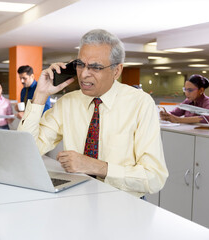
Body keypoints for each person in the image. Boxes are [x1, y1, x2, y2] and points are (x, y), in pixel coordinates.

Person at [17, 29, 168, 198]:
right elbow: (25, 151)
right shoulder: (68, 102)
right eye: (80, 64)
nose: (84, 74)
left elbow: (154, 177)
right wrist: (40, 95)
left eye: (95, 67)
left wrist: (95, 166)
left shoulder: (140, 103)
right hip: (78, 198)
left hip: (124, 202)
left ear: (116, 71)